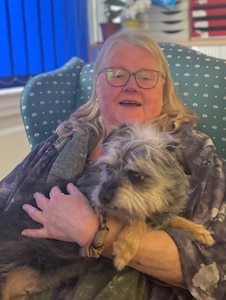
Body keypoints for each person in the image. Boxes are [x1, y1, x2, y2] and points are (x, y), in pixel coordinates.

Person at [1, 28, 226, 300]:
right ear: (97, 85)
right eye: (116, 74)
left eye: (146, 77)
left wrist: (97, 234)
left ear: (164, 89)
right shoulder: (60, 142)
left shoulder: (193, 154)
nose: (131, 85)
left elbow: (217, 268)